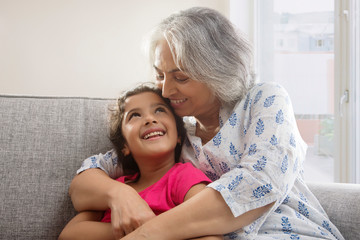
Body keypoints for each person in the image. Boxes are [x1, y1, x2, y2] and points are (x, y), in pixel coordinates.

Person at [69, 7, 344, 240]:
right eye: (160, 75)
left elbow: (259, 182)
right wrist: (119, 195)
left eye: (181, 77)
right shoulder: (175, 132)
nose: (165, 91)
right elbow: (88, 180)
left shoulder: (264, 99)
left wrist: (144, 234)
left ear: (216, 70)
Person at [59, 83, 223, 240]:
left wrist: (151, 232)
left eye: (159, 110)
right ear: (124, 146)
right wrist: (134, 229)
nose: (150, 119)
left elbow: (210, 228)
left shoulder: (184, 177)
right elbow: (69, 234)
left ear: (179, 136)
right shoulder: (117, 185)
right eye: (135, 115)